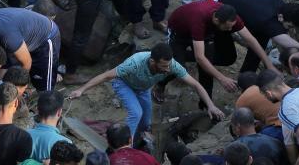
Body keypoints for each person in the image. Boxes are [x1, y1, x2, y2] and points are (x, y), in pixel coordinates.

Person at [70, 43, 221, 139]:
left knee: (145, 123)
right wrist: (81, 90)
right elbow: (106, 76)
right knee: (136, 113)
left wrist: (211, 105)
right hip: (124, 84)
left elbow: (195, 84)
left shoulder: (172, 65)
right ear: (152, 61)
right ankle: (124, 147)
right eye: (163, 66)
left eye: (168, 65)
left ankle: (138, 139)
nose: (167, 70)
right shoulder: (134, 63)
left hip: (143, 88)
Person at [167, 0, 275, 96]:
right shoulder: (199, 20)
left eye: (232, 26)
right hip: (179, 33)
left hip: (205, 32)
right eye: (228, 27)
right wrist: (222, 78)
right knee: (179, 70)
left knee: (207, 68)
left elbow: (251, 40)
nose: (230, 29)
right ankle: (161, 84)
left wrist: (269, 65)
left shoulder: (230, 18)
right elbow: (200, 57)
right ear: (216, 20)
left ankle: (205, 105)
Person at [212, 0, 299, 69]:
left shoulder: (279, 3)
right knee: (228, 58)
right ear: (281, 17)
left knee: (262, 37)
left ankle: (248, 74)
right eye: (289, 26)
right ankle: (206, 60)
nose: (288, 29)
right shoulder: (267, 21)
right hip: (216, 7)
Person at [0, 7, 62, 91]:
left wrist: (16, 88)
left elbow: (27, 63)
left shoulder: (9, 37)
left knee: (43, 83)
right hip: (18, 34)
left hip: (45, 37)